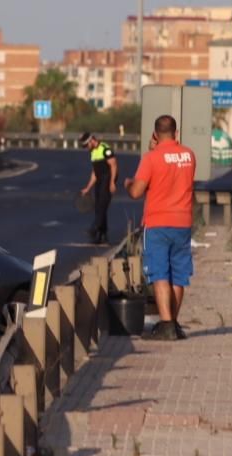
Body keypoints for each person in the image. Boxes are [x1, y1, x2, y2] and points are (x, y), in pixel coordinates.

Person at [124, 115, 196, 341]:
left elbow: (136, 192)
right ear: (176, 132)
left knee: (160, 274)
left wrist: (127, 183)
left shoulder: (151, 158)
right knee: (179, 275)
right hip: (183, 223)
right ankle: (173, 323)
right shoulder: (189, 155)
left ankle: (166, 325)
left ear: (155, 134)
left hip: (157, 224)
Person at [78, 132, 118, 245]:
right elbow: (95, 173)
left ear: (91, 141)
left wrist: (112, 183)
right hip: (100, 181)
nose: (86, 148)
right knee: (99, 208)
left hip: (108, 179)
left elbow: (114, 165)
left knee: (102, 205)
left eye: (86, 145)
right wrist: (88, 187)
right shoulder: (92, 153)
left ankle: (94, 229)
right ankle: (102, 235)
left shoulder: (105, 149)